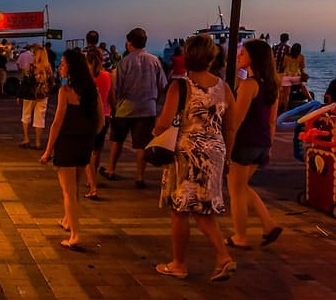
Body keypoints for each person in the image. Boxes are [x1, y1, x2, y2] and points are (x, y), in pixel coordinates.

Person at [154, 34, 237, 282]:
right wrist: (227, 158)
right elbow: (230, 128)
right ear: (212, 59)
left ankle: (179, 263)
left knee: (180, 209)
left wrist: (157, 131)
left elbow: (164, 123)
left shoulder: (181, 86)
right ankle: (222, 257)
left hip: (186, 153)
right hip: (215, 152)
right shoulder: (224, 88)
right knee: (203, 208)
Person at [40, 49, 104, 250]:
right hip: (84, 144)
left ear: (72, 68)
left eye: (63, 64)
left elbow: (57, 123)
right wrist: (87, 135)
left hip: (67, 144)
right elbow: (101, 121)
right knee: (74, 189)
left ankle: (75, 234)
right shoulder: (92, 91)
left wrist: (47, 150)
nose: (60, 67)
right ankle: (68, 221)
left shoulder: (65, 92)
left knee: (68, 192)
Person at [226, 39, 283, 249]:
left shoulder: (249, 85)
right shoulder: (271, 85)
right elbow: (271, 121)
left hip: (244, 143)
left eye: (243, 53)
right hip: (261, 144)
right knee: (243, 187)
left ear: (253, 58)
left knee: (236, 191)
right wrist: (269, 147)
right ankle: (268, 225)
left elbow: (236, 121)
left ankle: (240, 236)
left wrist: (226, 146)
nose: (239, 55)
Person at [100, 27, 167, 188]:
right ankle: (139, 177)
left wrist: (114, 105)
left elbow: (116, 87)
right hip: (147, 108)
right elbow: (163, 85)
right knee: (142, 144)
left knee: (117, 140)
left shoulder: (124, 62)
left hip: (125, 107)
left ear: (129, 43)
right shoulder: (154, 61)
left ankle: (110, 170)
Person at [83, 47, 113, 200]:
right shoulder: (107, 76)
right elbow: (111, 97)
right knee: (96, 151)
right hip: (106, 116)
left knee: (86, 152)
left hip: (89, 116)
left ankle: (91, 183)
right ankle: (91, 180)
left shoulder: (86, 79)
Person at [17, 46, 54, 149]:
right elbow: (52, 83)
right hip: (42, 96)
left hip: (29, 96)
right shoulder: (48, 68)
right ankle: (38, 142)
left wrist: (19, 95)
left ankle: (26, 139)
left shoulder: (31, 67)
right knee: (40, 119)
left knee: (26, 116)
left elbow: (25, 82)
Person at [279, 42, 310, 112]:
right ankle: (311, 101)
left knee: (286, 95)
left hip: (286, 76)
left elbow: (283, 66)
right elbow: (302, 68)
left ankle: (285, 110)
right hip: (296, 77)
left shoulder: (286, 56)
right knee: (304, 88)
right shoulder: (301, 57)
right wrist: (304, 75)